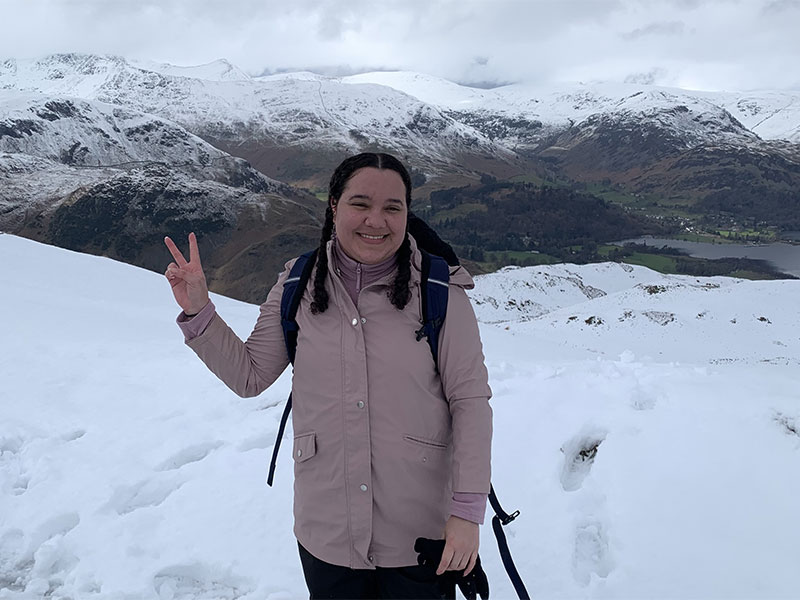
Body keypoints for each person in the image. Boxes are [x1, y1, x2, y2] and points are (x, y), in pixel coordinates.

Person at [164, 152, 493, 599]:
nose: (376, 220)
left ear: (406, 214)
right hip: (327, 533)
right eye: (360, 203)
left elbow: (470, 403)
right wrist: (199, 310)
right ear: (334, 206)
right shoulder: (298, 284)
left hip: (418, 535)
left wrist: (467, 512)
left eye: (392, 207)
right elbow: (250, 375)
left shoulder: (439, 293)